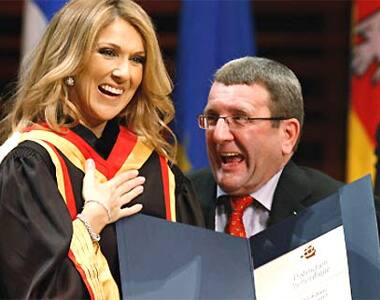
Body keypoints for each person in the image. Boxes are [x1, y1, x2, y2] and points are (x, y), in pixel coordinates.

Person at [0, 0, 204, 299]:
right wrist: (90, 222)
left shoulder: (160, 171)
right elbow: (33, 290)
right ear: (69, 60)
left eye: (137, 59)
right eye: (108, 53)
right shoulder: (31, 164)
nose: (124, 73)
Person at [189, 56, 347, 237]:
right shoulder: (176, 198)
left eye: (240, 118)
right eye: (212, 118)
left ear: (288, 135)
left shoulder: (338, 209)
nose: (219, 135)